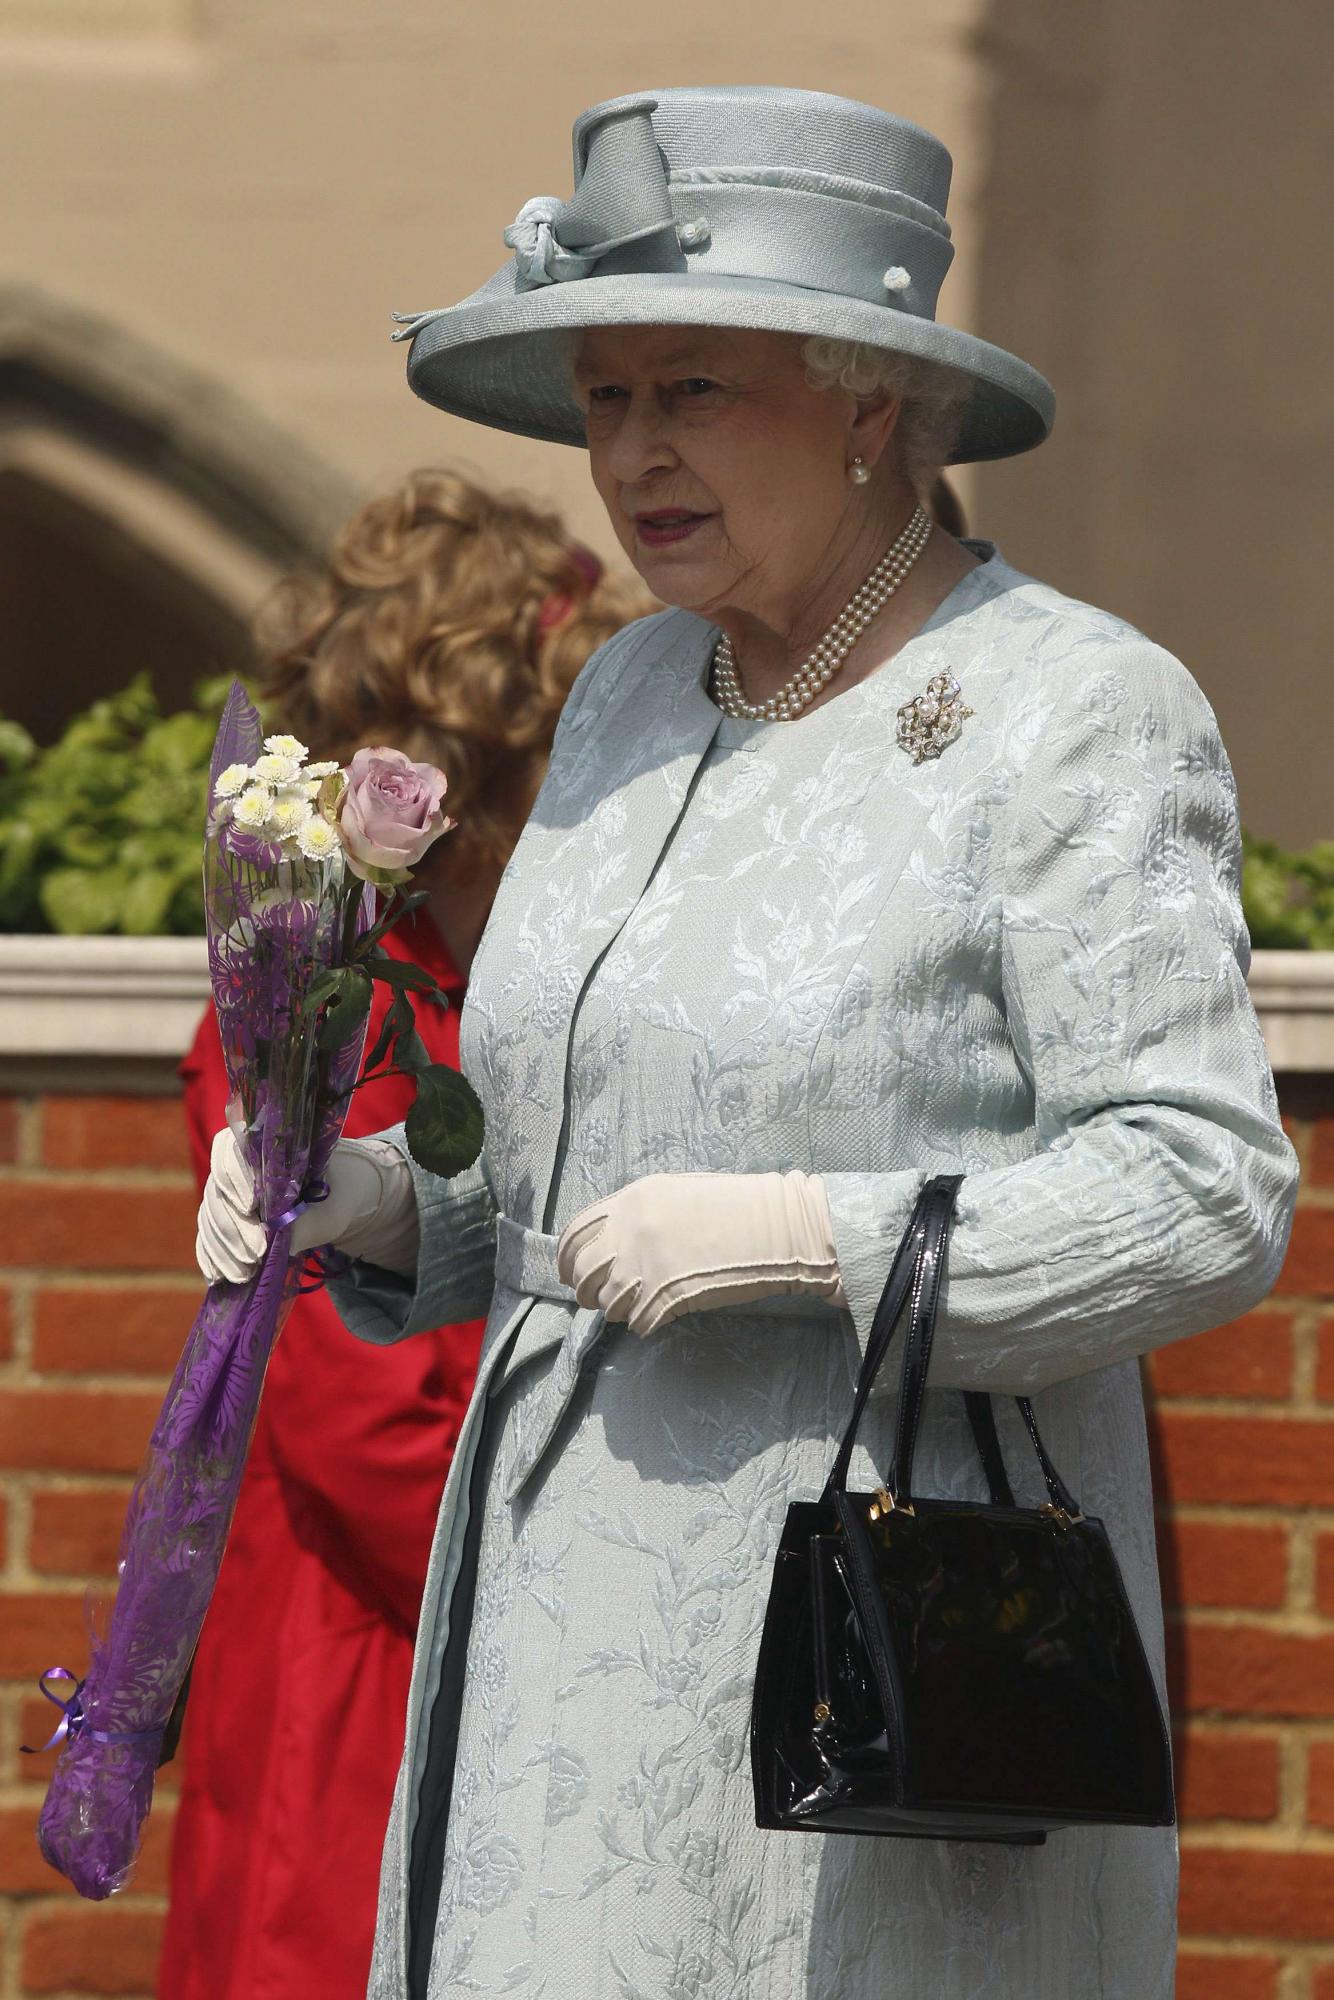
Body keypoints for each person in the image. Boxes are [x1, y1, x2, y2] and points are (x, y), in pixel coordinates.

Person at [196, 89, 1300, 2000]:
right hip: (546, 1627)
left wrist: (817, 1235)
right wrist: (366, 1200)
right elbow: (554, 1178)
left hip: (870, 1666)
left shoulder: (1079, 712)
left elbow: (1204, 1192)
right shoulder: (629, 687)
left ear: (870, 398)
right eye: (607, 398)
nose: (629, 455)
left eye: (691, 389)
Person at [165, 467, 648, 2000]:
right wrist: (610, 1611)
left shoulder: (528, 968)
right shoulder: (317, 1006)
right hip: (387, 1646)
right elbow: (360, 1425)